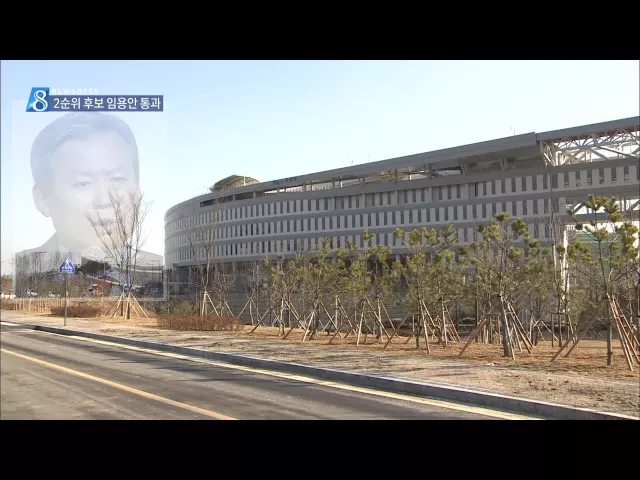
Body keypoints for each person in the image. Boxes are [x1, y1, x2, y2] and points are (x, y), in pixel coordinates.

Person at [16, 112, 162, 284]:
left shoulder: (156, 270)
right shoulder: (27, 269)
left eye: (117, 180)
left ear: (137, 189)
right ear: (42, 200)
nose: (105, 200)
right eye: (83, 183)